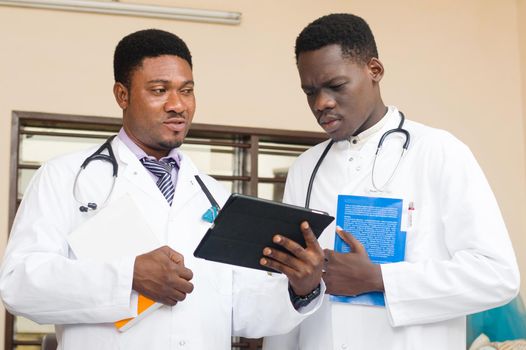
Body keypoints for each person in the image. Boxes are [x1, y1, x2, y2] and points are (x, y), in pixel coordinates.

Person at [0, 29, 325, 350]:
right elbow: (18, 286)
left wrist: (301, 287)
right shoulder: (65, 177)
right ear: (122, 95)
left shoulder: (214, 194)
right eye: (159, 90)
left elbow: (243, 311)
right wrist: (128, 276)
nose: (177, 105)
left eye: (187, 91)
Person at [263, 13, 520, 350]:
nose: (321, 103)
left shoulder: (439, 152)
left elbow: (497, 277)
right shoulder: (306, 168)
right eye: (310, 92)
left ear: (374, 71)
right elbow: (290, 284)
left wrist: (380, 279)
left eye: (336, 86)